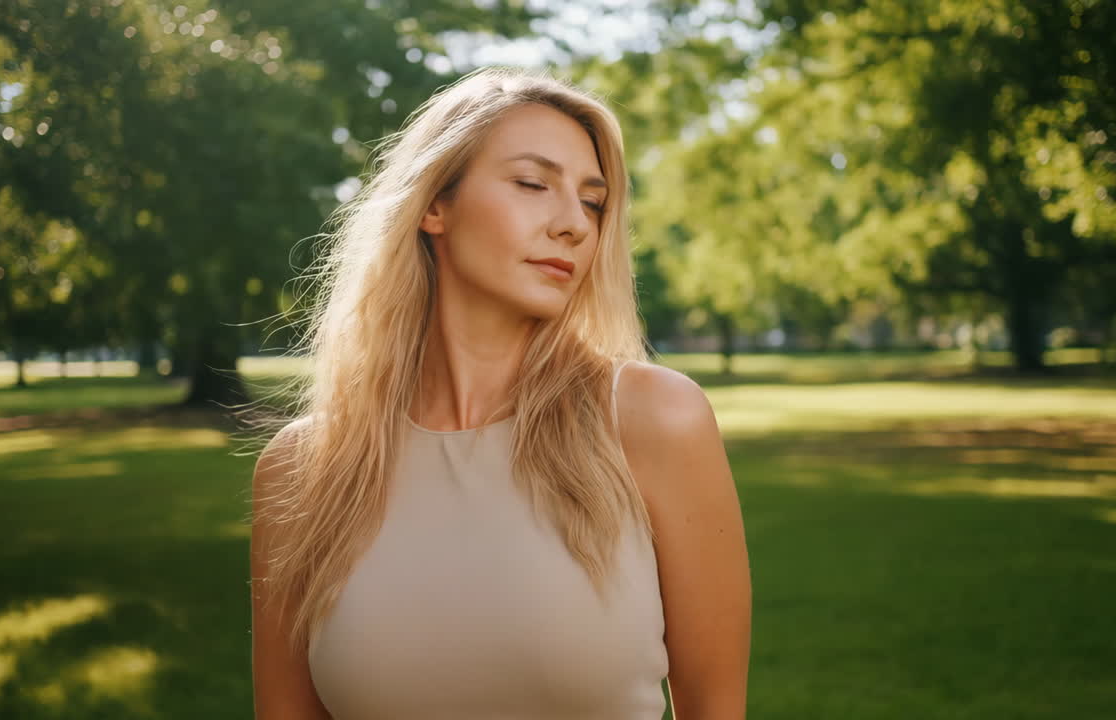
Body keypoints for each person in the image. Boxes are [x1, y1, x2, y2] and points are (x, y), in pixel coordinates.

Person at [249, 65, 751, 719]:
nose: (574, 223)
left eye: (593, 202)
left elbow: (716, 707)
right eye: (532, 184)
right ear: (435, 204)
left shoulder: (654, 419)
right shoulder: (301, 470)